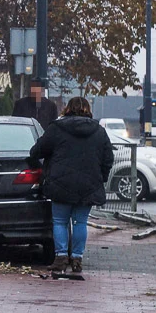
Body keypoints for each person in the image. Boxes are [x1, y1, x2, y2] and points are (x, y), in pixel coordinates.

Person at [27, 96, 113, 273]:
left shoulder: (56, 128)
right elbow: (108, 159)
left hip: (60, 183)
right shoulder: (99, 131)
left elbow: (37, 151)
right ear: (88, 109)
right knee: (80, 222)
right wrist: (100, 178)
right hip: (89, 184)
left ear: (67, 109)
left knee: (60, 221)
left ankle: (60, 258)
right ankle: (77, 258)